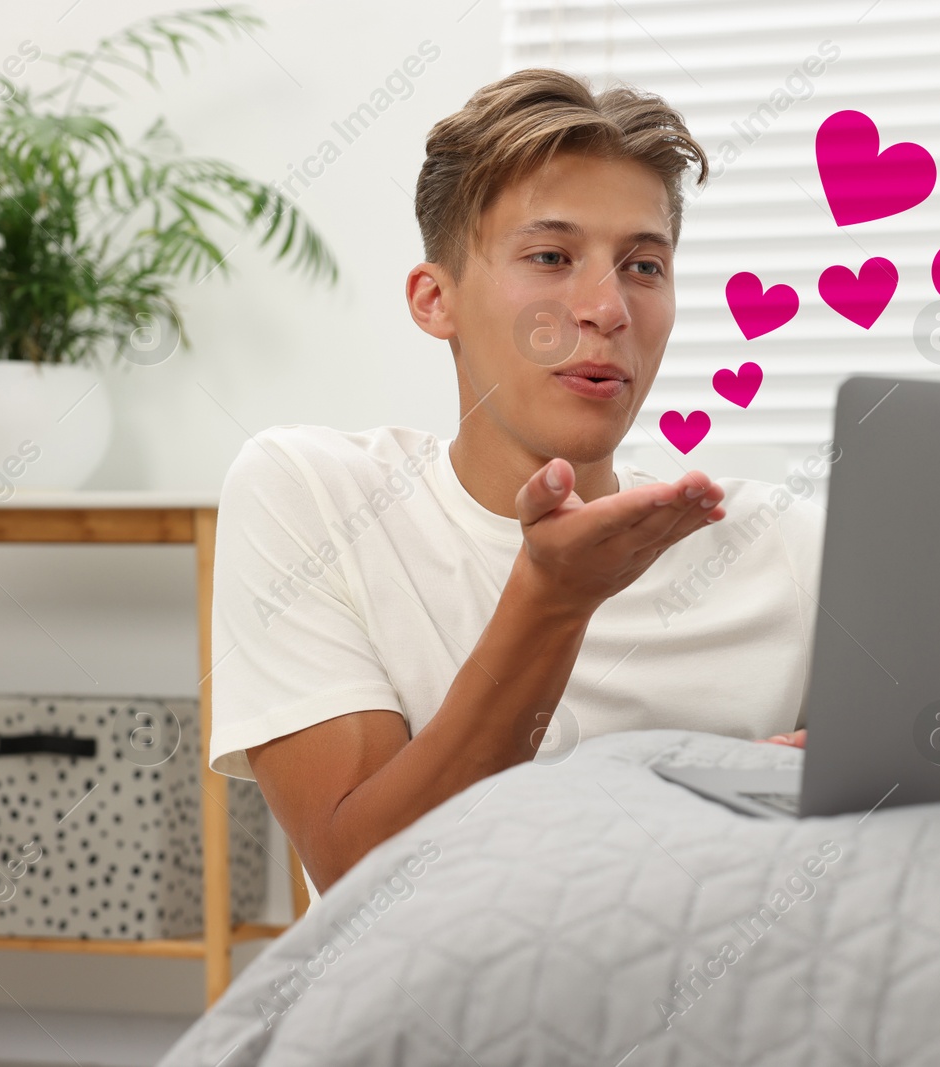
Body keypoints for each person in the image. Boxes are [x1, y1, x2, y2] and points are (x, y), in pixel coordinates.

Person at [207, 68, 827, 901]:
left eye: (644, 266)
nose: (608, 307)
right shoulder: (317, 497)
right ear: (437, 300)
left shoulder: (781, 545)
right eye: (550, 256)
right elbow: (366, 885)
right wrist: (552, 599)